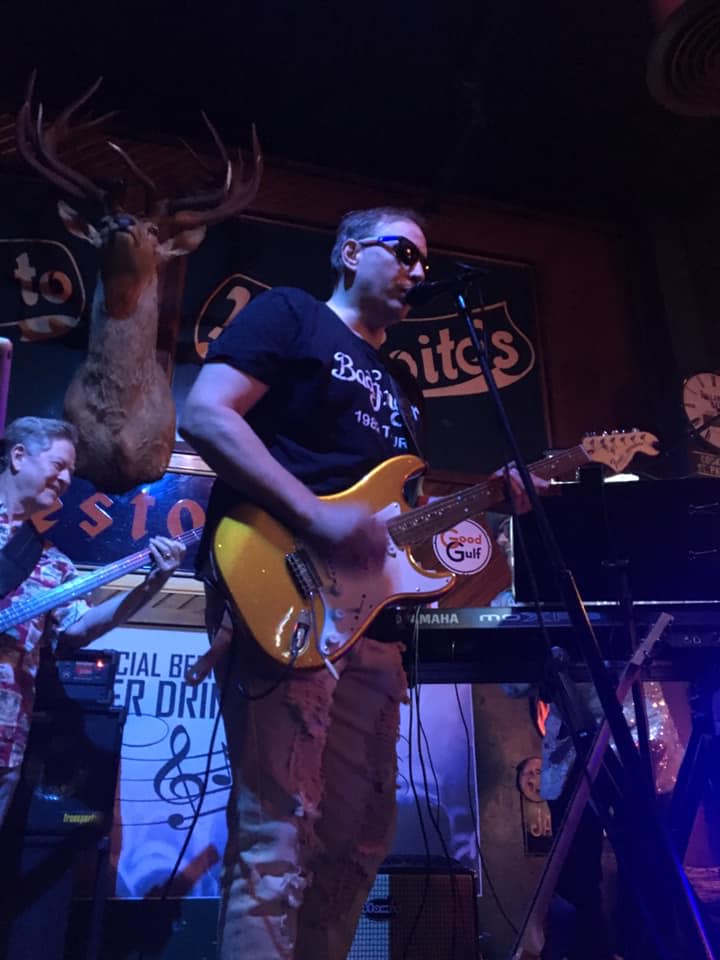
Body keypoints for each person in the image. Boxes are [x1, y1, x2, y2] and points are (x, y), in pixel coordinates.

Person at [179, 205, 536, 960]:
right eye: (403, 252)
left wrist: (488, 501)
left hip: (369, 623)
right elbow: (207, 416)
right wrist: (314, 515)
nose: (418, 270)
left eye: (424, 261)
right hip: (283, 586)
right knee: (277, 833)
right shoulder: (293, 316)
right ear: (348, 251)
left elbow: (394, 519)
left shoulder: (404, 386)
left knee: (357, 843)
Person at [0, 416, 186, 829]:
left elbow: (78, 630)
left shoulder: (51, 564)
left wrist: (150, 586)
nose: (67, 478)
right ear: (18, 456)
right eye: (59, 464)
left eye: (71, 470)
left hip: (4, 736)